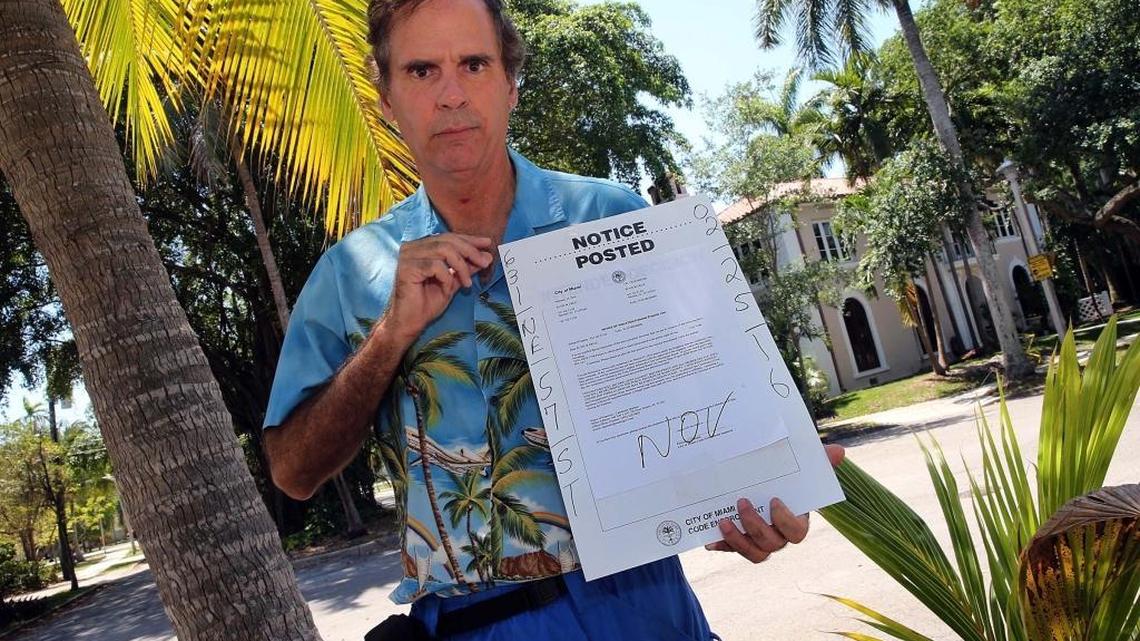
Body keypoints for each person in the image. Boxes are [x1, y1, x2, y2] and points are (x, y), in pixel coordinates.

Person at [262, 1, 845, 639]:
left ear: (511, 84)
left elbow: (708, 402)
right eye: (422, 71)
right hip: (476, 626)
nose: (452, 94)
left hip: (646, 607)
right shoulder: (351, 276)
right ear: (386, 99)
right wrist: (390, 334)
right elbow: (292, 472)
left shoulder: (612, 217)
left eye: (474, 64)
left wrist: (758, 501)